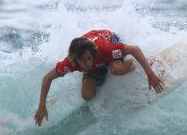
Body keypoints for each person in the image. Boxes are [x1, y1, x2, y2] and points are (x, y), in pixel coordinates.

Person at [34, 29, 165, 126]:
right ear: (75, 60)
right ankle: (101, 75)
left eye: (89, 59)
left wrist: (150, 74)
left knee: (116, 70)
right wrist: (42, 106)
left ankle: (134, 64)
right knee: (86, 95)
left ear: (93, 54)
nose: (87, 64)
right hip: (96, 59)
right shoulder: (70, 63)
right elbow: (47, 78)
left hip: (109, 40)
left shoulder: (104, 49)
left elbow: (134, 49)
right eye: (82, 61)